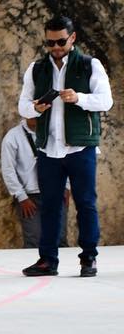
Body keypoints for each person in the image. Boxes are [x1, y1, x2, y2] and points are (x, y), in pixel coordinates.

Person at [18, 17, 113, 278]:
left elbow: (106, 101)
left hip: (80, 148)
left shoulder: (90, 64)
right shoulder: (36, 68)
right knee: (50, 206)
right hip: (48, 149)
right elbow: (23, 106)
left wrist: (79, 98)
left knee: (86, 204)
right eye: (50, 43)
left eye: (61, 41)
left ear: (73, 38)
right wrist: (35, 108)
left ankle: (89, 258)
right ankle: (48, 260)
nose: (56, 47)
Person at [0, 117, 70, 250]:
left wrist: (66, 186)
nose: (35, 115)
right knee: (33, 240)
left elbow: (66, 158)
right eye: (31, 110)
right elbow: (8, 170)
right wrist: (21, 197)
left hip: (55, 193)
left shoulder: (55, 133)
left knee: (60, 239)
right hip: (30, 198)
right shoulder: (13, 137)